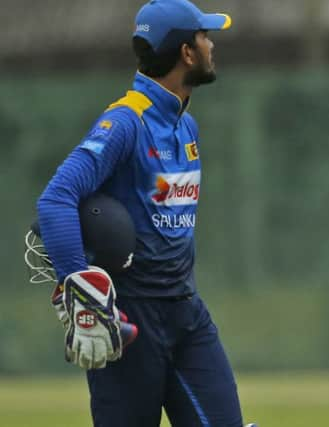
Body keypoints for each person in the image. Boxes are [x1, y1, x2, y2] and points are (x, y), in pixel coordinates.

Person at [34, 1, 256, 426]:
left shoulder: (185, 125)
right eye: (205, 37)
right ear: (187, 53)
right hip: (129, 324)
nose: (212, 45)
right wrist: (81, 291)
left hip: (187, 314)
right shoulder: (125, 123)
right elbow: (56, 199)